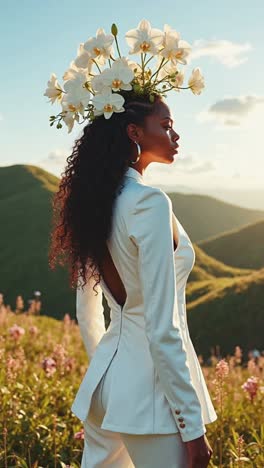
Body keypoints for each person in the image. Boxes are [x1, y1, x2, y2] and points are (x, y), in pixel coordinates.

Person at [47, 20, 217, 466]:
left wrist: (108, 365)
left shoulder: (98, 199)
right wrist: (192, 428)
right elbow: (163, 328)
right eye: (166, 124)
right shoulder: (149, 203)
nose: (175, 135)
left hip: (107, 385)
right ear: (134, 133)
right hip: (151, 400)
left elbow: (88, 309)